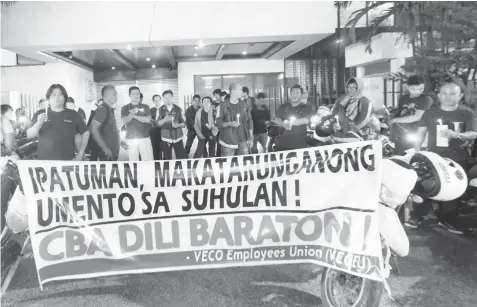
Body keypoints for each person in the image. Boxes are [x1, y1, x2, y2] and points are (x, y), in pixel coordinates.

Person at [407, 82, 477, 234]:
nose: (448, 96)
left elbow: (473, 133)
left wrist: (457, 135)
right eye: (444, 93)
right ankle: (417, 215)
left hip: (457, 158)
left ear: (460, 95)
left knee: (453, 190)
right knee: (425, 186)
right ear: (439, 95)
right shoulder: (430, 113)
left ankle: (448, 220)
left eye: (452, 93)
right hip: (433, 157)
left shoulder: (467, 113)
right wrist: (417, 152)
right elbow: (420, 133)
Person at [27, 84, 89, 160]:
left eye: (60, 94)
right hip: (44, 162)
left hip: (68, 161)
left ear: (65, 97)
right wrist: (39, 123)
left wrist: (80, 153)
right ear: (48, 98)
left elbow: (86, 132)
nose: (57, 98)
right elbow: (29, 135)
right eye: (53, 95)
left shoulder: (73, 114)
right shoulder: (40, 113)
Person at [389, 75, 435, 154]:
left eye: (421, 89)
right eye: (414, 89)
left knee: (415, 158)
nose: (417, 92)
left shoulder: (426, 99)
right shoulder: (404, 98)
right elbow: (398, 112)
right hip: (401, 135)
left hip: (417, 135)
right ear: (408, 87)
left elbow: (417, 117)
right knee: (399, 158)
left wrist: (394, 120)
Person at [331, 77, 374, 143]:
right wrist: (334, 123)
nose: (349, 90)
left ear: (359, 88)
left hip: (355, 136)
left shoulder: (365, 102)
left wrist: (352, 128)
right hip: (338, 134)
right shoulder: (341, 99)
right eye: (348, 87)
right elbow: (333, 113)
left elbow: (364, 119)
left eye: (353, 87)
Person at [216, 83, 253, 156]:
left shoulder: (245, 105)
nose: (242, 92)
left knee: (244, 164)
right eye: (240, 90)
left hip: (243, 141)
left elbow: (249, 121)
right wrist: (229, 124)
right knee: (227, 165)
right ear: (232, 91)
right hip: (227, 142)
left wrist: (251, 137)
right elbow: (218, 123)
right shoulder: (222, 106)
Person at [273, 85, 313, 151]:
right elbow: (276, 119)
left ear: (301, 95)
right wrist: (283, 124)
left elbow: (305, 120)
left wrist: (289, 122)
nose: (294, 95)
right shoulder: (283, 107)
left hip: (299, 146)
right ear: (290, 94)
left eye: (297, 93)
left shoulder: (307, 107)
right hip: (281, 145)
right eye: (292, 92)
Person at [121, 86, 154, 161]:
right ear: (129, 95)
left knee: (148, 160)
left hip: (144, 137)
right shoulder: (125, 108)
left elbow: (148, 120)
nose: (136, 96)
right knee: (133, 161)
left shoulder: (145, 107)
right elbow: (125, 122)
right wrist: (130, 115)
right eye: (133, 94)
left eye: (138, 93)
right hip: (130, 138)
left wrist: (134, 116)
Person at [89, 85, 120, 161]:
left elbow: (109, 130)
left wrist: (120, 141)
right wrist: (105, 149)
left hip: (111, 153)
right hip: (106, 155)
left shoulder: (109, 109)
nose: (116, 96)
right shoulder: (103, 109)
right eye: (114, 94)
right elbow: (93, 128)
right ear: (107, 96)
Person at [157, 90, 186, 159]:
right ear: (163, 99)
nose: (167, 99)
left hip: (178, 138)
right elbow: (157, 124)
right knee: (167, 159)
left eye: (169, 97)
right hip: (165, 138)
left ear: (173, 97)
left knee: (181, 158)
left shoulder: (179, 109)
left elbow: (184, 124)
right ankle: (166, 170)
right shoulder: (159, 110)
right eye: (165, 98)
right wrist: (165, 119)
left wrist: (178, 125)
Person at [150, 94, 163, 160]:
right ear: (153, 101)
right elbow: (149, 120)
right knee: (155, 148)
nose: (157, 101)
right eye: (155, 100)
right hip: (154, 131)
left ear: (161, 100)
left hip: (163, 131)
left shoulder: (165, 109)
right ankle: (156, 162)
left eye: (158, 100)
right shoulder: (151, 110)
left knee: (164, 148)